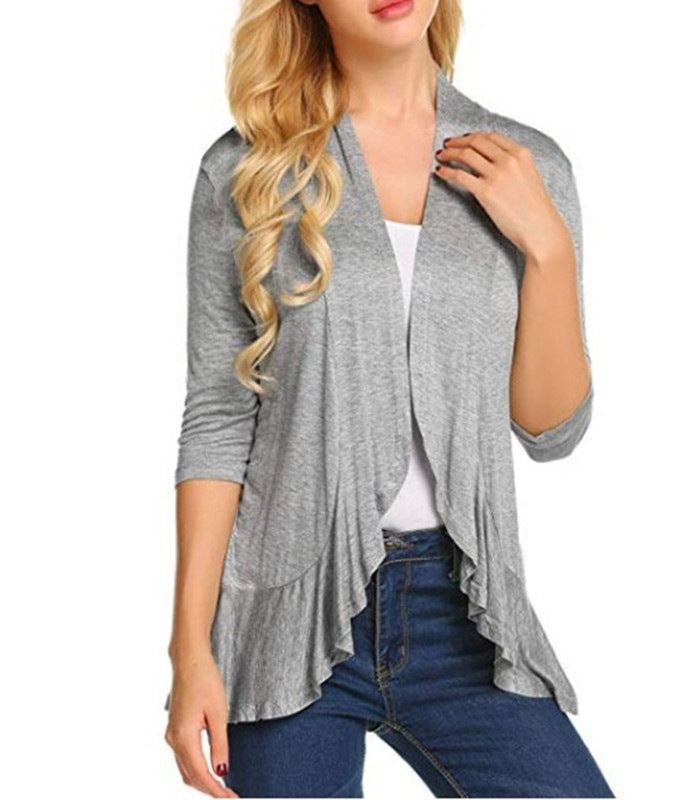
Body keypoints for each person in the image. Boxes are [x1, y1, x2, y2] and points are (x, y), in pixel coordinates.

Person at [164, 0, 614, 797]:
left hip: (465, 613)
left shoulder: (525, 164)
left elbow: (550, 428)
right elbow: (219, 418)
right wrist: (190, 650)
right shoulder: (249, 169)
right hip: (291, 610)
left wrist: (547, 247)